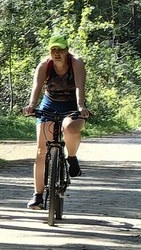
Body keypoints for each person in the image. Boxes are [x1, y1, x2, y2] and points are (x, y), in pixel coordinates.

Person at [22, 34, 90, 210]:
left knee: (70, 128)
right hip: (50, 103)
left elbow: (79, 86)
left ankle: (72, 157)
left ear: (67, 50)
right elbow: (36, 87)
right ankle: (38, 195)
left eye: (60, 49)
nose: (57, 53)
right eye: (53, 50)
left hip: (72, 103)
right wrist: (31, 106)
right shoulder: (44, 65)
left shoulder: (76, 62)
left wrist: (81, 106)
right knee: (40, 150)